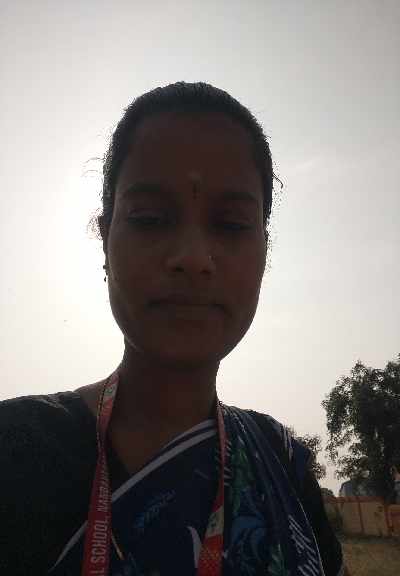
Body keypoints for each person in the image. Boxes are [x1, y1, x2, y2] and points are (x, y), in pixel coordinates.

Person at [0, 82, 346, 575]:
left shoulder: (282, 464)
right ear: (104, 239)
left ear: (264, 252)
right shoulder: (15, 451)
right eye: (150, 218)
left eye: (231, 225)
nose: (193, 257)